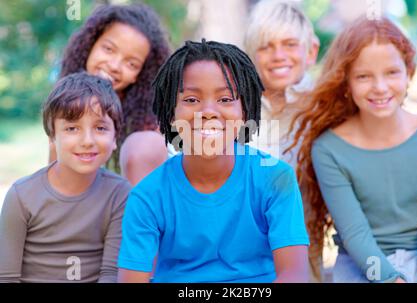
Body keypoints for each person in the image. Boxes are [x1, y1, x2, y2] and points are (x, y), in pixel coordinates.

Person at [117, 39, 310, 283]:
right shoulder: (148, 195)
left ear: (245, 111)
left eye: (225, 99)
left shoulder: (275, 178)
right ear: (171, 113)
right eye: (191, 100)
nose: (208, 111)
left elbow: (294, 275)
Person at [291, 16, 417, 282]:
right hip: (362, 265)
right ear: (347, 82)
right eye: (364, 76)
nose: (380, 87)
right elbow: (355, 235)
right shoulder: (329, 150)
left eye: (391, 72)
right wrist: (392, 279)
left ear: (409, 72)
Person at [0, 72, 132, 282]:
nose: (87, 140)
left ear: (115, 137)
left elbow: (110, 274)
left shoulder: (120, 194)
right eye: (72, 128)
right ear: (52, 136)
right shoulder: (22, 196)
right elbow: (6, 277)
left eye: (100, 128)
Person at [54, 3, 171, 185]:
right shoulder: (66, 103)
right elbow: (54, 180)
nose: (115, 66)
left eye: (131, 64)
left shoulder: (149, 128)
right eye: (108, 49)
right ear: (90, 45)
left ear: (140, 75)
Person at [244, 0, 319, 168]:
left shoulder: (325, 108)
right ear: (250, 56)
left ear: (311, 52)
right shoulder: (237, 111)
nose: (278, 56)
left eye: (290, 44)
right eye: (265, 47)